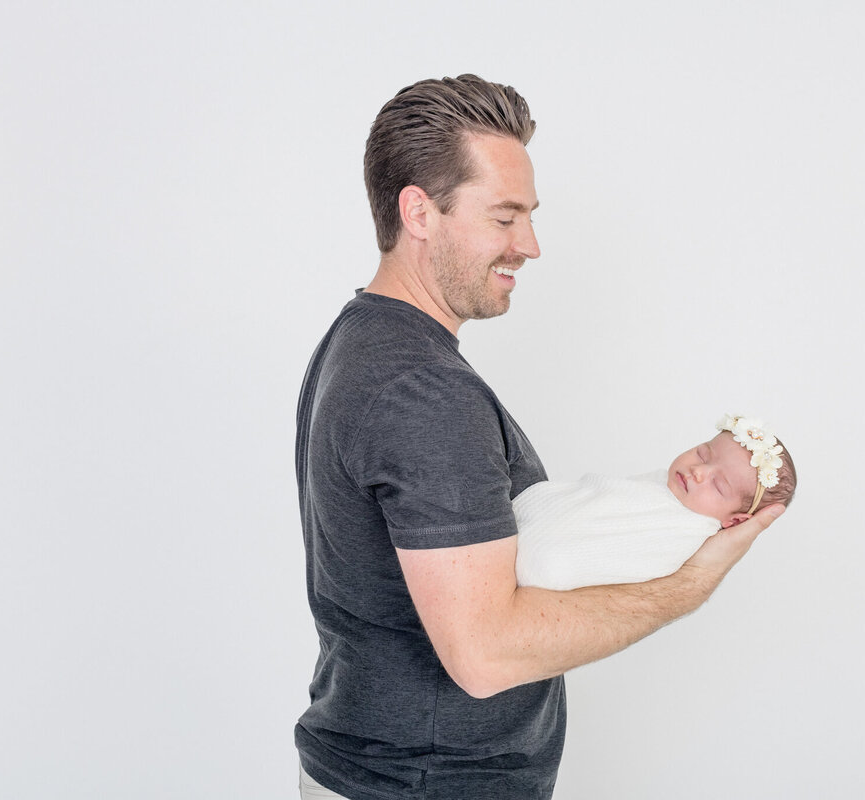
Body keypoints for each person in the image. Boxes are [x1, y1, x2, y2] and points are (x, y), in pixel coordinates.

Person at [294, 74, 785, 800]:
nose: (530, 244)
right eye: (504, 217)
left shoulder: (362, 338)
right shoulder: (422, 393)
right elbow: (486, 654)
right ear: (419, 212)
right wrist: (691, 584)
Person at [515, 414, 797, 591]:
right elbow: (600, 497)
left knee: (543, 556)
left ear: (734, 521)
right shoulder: (662, 483)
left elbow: (619, 553)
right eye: (702, 454)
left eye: (718, 484)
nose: (699, 471)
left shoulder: (686, 534)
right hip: (528, 520)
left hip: (539, 560)